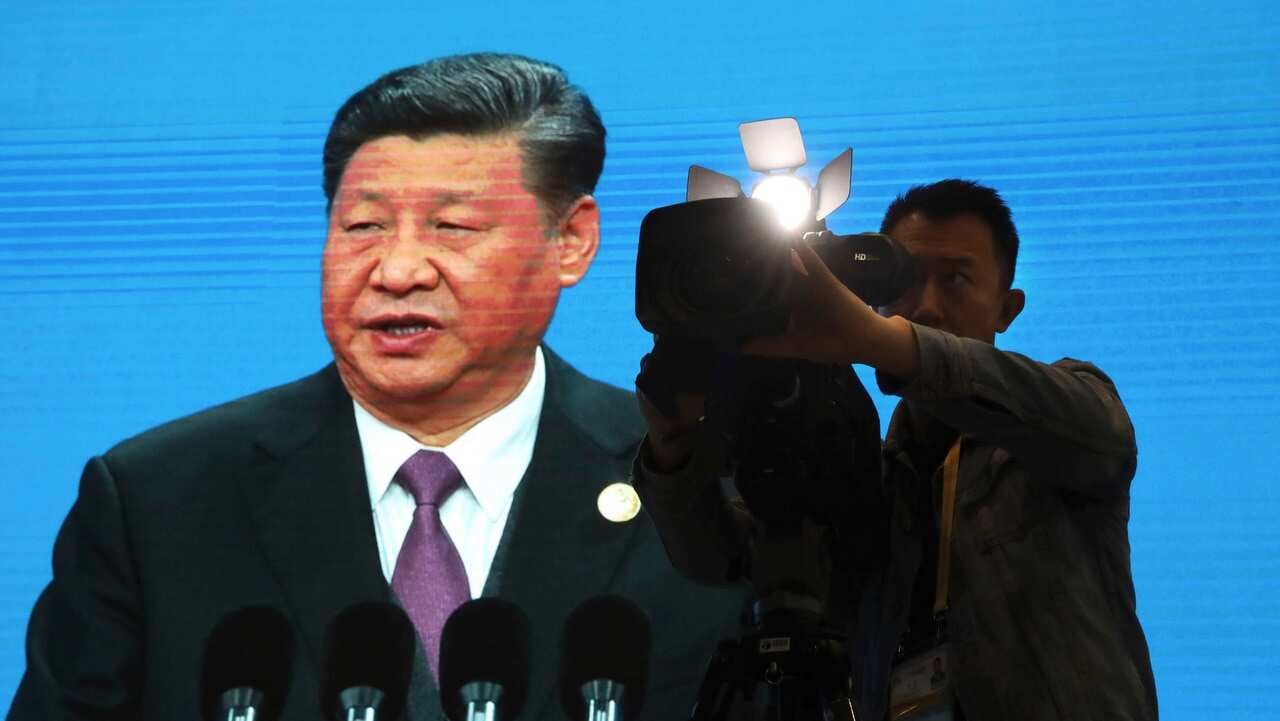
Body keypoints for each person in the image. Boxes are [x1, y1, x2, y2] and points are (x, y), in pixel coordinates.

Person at [10, 53, 742, 721]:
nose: (397, 271)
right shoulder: (156, 502)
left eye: (452, 226)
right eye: (363, 226)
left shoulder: (705, 481)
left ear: (571, 241)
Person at [632, 180, 1157, 720]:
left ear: (1007, 308)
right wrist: (673, 443)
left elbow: (1098, 435)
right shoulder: (871, 479)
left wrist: (875, 341)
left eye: (955, 280)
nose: (926, 307)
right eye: (907, 279)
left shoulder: (1070, 409)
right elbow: (721, 558)